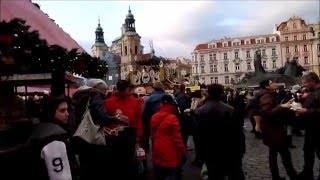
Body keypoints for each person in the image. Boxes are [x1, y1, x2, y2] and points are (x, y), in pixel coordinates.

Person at [194, 84, 245, 180]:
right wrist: (241, 149)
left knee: (215, 175)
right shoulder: (230, 109)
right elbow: (238, 132)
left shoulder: (200, 111)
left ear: (208, 93)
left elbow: (199, 135)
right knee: (234, 173)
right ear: (221, 94)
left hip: (210, 150)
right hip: (230, 148)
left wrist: (201, 153)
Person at [29, 96, 78, 180]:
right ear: (50, 112)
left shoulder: (43, 128)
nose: (67, 114)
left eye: (67, 110)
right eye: (62, 111)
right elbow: (60, 176)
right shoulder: (54, 138)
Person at [258, 79, 298, 180]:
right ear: (267, 86)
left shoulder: (268, 95)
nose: (274, 84)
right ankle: (293, 176)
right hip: (274, 130)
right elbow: (267, 112)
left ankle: (276, 176)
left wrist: (283, 106)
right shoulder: (266, 96)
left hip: (272, 130)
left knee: (274, 154)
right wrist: (282, 106)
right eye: (272, 83)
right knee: (285, 155)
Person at [150, 95, 186, 180]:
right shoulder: (172, 118)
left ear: (161, 104)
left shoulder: (154, 116)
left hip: (157, 150)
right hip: (171, 152)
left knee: (159, 174)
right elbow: (178, 139)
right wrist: (183, 153)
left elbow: (152, 136)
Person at [296, 72, 320, 180]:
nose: (303, 84)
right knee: (308, 151)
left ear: (313, 81)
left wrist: (307, 111)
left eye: (305, 82)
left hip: (318, 128)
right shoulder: (311, 92)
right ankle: (307, 172)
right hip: (310, 127)